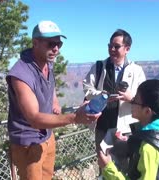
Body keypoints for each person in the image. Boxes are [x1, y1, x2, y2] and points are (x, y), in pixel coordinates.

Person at [6, 20, 101, 180]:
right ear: (35, 43)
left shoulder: (47, 62)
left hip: (47, 135)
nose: (56, 49)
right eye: (51, 44)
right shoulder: (20, 74)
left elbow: (50, 85)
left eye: (59, 44)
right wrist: (74, 118)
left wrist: (54, 102)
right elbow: (34, 119)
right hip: (28, 142)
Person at [98, 79, 159, 180]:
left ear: (147, 111)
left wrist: (108, 167)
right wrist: (134, 141)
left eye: (135, 101)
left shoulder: (149, 148)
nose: (131, 103)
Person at [82, 29, 146, 153]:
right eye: (110, 46)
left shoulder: (136, 71)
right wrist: (101, 95)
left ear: (127, 49)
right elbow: (87, 87)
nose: (112, 49)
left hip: (126, 127)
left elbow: (144, 99)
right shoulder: (99, 67)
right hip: (102, 126)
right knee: (103, 163)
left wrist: (131, 98)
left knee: (125, 165)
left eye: (116, 47)